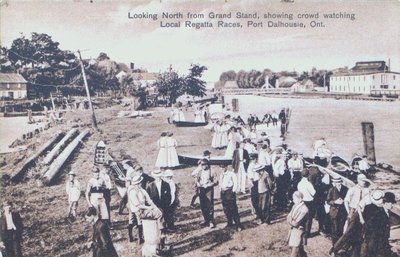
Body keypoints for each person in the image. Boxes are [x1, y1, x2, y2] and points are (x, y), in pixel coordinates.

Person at [330, 174, 371, 257]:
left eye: (365, 181)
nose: (364, 182)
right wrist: (349, 211)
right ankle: (336, 249)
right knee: (348, 232)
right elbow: (346, 201)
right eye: (362, 181)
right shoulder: (352, 189)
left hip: (363, 213)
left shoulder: (367, 190)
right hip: (353, 212)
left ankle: (354, 251)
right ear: (358, 180)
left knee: (360, 234)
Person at [128, 174, 164, 245]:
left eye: (140, 183)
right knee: (135, 222)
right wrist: (149, 208)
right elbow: (137, 205)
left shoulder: (142, 190)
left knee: (159, 211)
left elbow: (149, 201)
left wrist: (155, 208)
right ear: (135, 184)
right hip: (137, 210)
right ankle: (161, 230)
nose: (140, 184)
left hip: (141, 209)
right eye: (138, 183)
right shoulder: (132, 191)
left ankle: (140, 238)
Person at [360, 190, 395, 257]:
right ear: (385, 203)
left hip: (382, 243)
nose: (393, 205)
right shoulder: (379, 215)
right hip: (376, 244)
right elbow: (372, 230)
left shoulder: (386, 213)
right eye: (391, 203)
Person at [219, 164, 242, 231]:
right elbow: (221, 183)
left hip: (229, 192)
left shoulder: (231, 174)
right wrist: (220, 190)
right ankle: (230, 223)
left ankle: (238, 225)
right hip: (223, 193)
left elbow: (235, 182)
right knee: (226, 209)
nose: (222, 169)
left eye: (223, 167)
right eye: (221, 167)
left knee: (233, 208)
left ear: (226, 167)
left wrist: (233, 191)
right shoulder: (221, 175)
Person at [196, 159, 218, 228]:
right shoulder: (200, 172)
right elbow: (197, 180)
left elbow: (216, 181)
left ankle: (211, 221)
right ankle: (206, 220)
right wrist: (198, 184)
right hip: (202, 190)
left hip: (208, 190)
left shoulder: (212, 171)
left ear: (208, 164)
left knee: (209, 205)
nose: (203, 166)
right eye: (202, 165)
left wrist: (209, 184)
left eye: (204, 164)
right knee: (203, 205)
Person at [327, 177, 348, 245]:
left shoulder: (345, 189)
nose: (337, 184)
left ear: (341, 182)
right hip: (334, 212)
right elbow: (328, 201)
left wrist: (344, 201)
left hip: (342, 212)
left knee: (341, 229)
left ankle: (339, 245)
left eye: (339, 182)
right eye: (336, 182)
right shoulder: (331, 190)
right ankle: (334, 245)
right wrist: (335, 202)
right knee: (335, 230)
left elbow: (348, 199)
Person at [287, 191, 309, 257]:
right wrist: (290, 220)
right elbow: (288, 217)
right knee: (300, 250)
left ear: (300, 199)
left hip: (299, 232)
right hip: (294, 231)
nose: (293, 200)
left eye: (294, 198)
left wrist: (290, 219)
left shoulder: (304, 209)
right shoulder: (294, 206)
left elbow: (295, 223)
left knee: (295, 251)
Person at [297, 169, 316, 239]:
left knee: (302, 217)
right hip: (309, 201)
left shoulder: (299, 183)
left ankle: (302, 231)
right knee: (309, 218)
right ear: (308, 175)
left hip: (302, 201)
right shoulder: (308, 184)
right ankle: (307, 233)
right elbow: (313, 193)